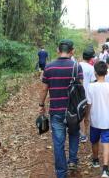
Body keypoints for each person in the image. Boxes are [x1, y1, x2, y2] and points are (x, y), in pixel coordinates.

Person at [39, 39, 83, 177]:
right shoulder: (76, 66)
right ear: (72, 51)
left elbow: (44, 89)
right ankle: (72, 160)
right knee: (74, 134)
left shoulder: (49, 67)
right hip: (73, 111)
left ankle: (61, 173)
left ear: (58, 50)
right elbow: (80, 89)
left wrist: (41, 105)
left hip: (56, 111)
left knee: (58, 143)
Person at [87, 61, 109, 178]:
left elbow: (89, 104)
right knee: (106, 143)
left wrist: (87, 117)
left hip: (95, 119)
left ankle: (95, 160)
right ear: (106, 72)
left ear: (95, 72)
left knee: (94, 141)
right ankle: (105, 169)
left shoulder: (90, 86)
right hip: (106, 119)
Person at [79, 47, 97, 143]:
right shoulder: (91, 68)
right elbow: (93, 82)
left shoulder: (76, 65)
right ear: (90, 58)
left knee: (80, 116)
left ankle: (82, 134)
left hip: (78, 95)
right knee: (87, 115)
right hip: (88, 95)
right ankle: (87, 132)